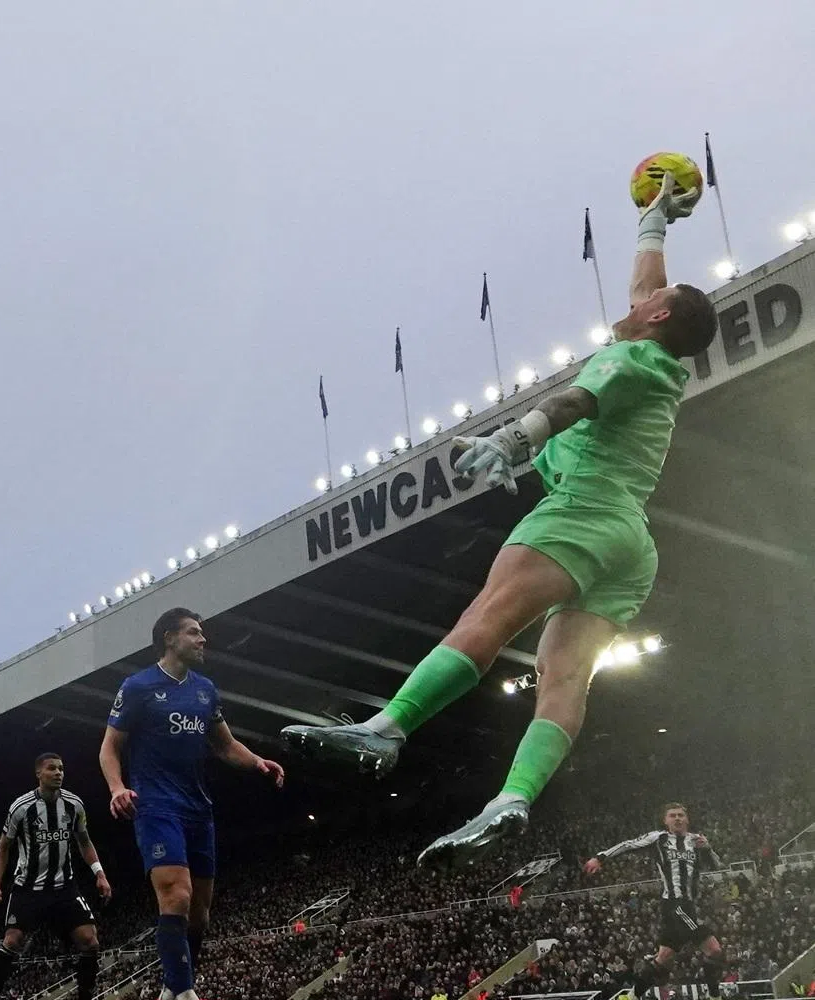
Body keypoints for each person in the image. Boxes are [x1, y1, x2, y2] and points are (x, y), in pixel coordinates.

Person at [282, 172, 717, 871]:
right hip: (629, 544)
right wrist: (653, 224)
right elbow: (647, 290)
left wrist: (513, 439)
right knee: (563, 678)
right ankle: (512, 798)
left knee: (486, 618)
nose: (642, 296)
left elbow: (573, 401)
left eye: (656, 299)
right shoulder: (659, 355)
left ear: (660, 319)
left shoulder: (632, 358)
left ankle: (387, 728)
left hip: (584, 512)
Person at [100, 607, 285, 1000]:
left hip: (198, 809)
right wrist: (116, 787)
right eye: (195, 633)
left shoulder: (205, 691)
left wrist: (257, 762)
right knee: (176, 896)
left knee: (199, 915)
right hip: (156, 805)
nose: (203, 641)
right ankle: (187, 999)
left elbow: (225, 744)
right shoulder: (138, 686)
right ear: (170, 638)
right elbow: (109, 747)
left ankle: (168, 997)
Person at [0, 752, 111, 1000]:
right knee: (12, 942)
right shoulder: (21, 807)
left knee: (90, 941)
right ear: (39, 774)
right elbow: (3, 848)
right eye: (52, 768)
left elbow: (84, 842)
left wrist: (99, 873)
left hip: (64, 887)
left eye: (61, 768)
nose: (59, 773)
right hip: (28, 888)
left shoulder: (74, 805)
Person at [583, 802, 733, 1000]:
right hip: (674, 904)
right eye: (672, 816)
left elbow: (717, 866)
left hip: (688, 905)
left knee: (663, 959)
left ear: (687, 819)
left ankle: (631, 998)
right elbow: (627, 845)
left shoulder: (696, 841)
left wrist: (708, 848)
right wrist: (600, 857)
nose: (677, 819)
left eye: (681, 815)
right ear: (666, 821)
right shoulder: (658, 838)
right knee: (714, 950)